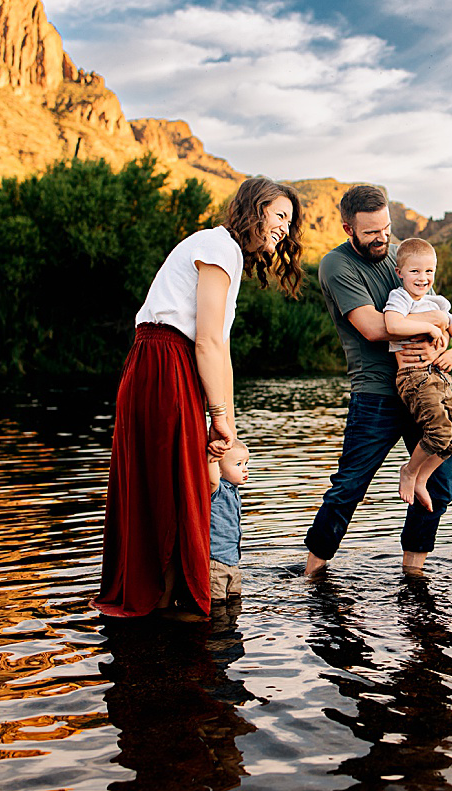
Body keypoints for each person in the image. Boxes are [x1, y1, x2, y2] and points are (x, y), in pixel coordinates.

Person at [93, 178, 303, 618]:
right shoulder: (218, 245)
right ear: (255, 209)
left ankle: (168, 603)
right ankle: (170, 603)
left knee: (179, 484)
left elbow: (218, 351)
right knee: (178, 486)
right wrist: (220, 416)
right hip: (164, 363)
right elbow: (206, 340)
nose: (285, 227)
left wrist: (225, 425)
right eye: (280, 215)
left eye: (290, 220)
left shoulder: (225, 254)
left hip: (169, 364)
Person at [304, 185, 452, 576]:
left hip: (423, 384)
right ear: (348, 228)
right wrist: (435, 325)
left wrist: (439, 346)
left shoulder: (401, 255)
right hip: (376, 393)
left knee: (439, 484)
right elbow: (372, 327)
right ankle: (311, 572)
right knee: (349, 487)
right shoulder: (336, 266)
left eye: (386, 228)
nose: (382, 238)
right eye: (371, 232)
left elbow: (429, 309)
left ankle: (413, 574)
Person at [384, 238, 452, 510]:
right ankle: (409, 471)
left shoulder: (439, 302)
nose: (423, 278)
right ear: (400, 273)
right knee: (439, 432)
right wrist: (431, 328)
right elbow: (393, 324)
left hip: (439, 378)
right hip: (413, 377)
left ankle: (422, 477)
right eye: (415, 271)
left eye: (429, 271)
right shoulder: (401, 298)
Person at [208, 439, 250, 602]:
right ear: (218, 469)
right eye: (238, 464)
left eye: (246, 463)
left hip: (232, 561)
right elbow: (212, 478)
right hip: (216, 562)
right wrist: (213, 454)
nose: (245, 469)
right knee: (217, 605)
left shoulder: (233, 490)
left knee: (234, 602)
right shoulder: (216, 490)